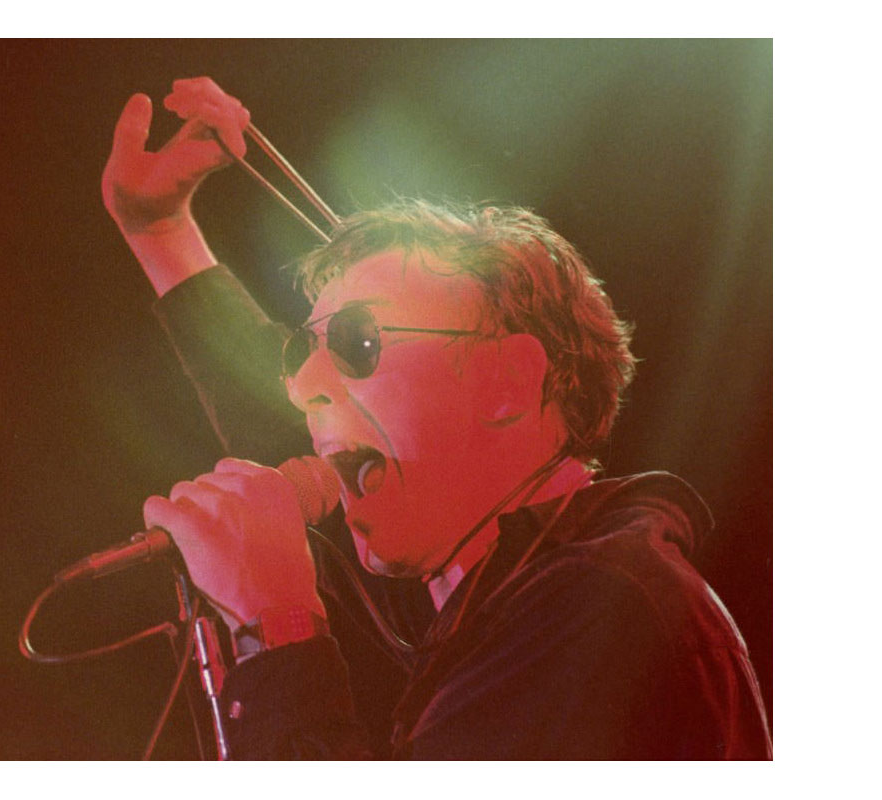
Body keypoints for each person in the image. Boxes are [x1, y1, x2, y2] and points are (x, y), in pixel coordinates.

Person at [101, 77, 772, 759]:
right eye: (303, 351)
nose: (303, 386)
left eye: (359, 343)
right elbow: (279, 426)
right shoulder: (497, 584)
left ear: (507, 381)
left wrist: (279, 630)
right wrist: (162, 231)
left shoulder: (601, 607)